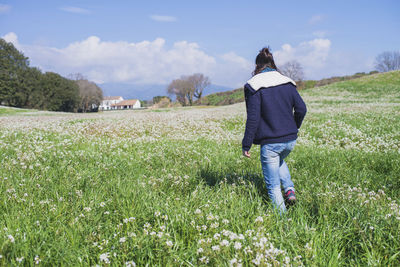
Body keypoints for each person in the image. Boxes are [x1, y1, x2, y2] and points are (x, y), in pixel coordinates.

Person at [242, 47, 307, 214]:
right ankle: (290, 190)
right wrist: (294, 126)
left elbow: (253, 118)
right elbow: (301, 109)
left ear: (257, 66)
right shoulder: (287, 81)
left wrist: (246, 144)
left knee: (272, 186)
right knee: (279, 160)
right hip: (290, 140)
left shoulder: (253, 85)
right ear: (272, 63)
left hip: (270, 143)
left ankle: (283, 224)